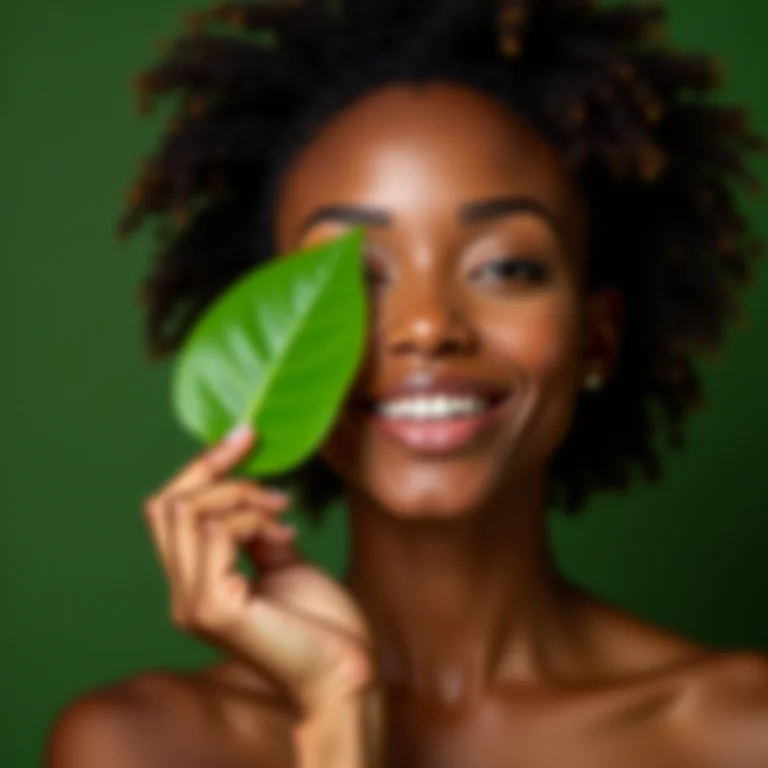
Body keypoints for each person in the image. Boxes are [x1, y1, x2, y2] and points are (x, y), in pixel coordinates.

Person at [45, 1, 768, 766]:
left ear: (598, 338)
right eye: (351, 279)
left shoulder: (739, 734)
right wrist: (338, 705)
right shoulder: (141, 747)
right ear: (274, 352)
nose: (427, 326)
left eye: (505, 268)